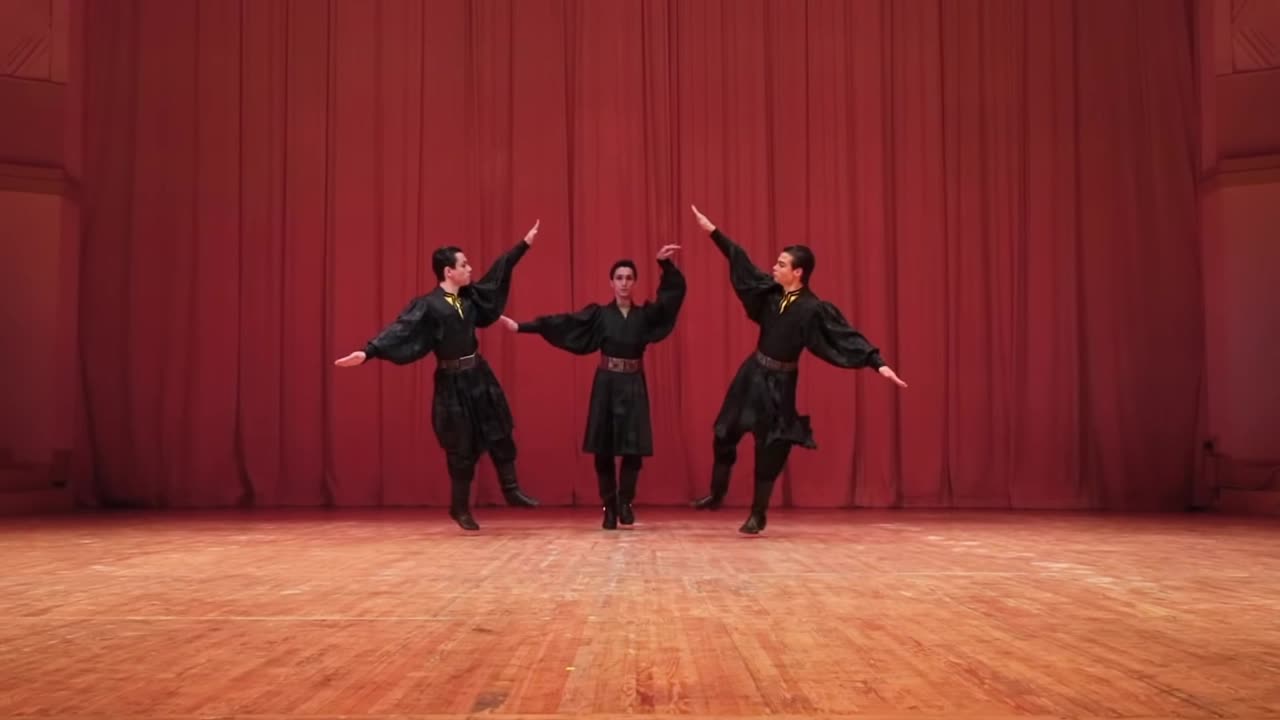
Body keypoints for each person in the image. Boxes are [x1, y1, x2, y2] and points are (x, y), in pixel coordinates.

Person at [687, 205, 907, 534]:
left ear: (798, 272)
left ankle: (757, 514)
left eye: (781, 264)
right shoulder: (771, 293)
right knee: (724, 432)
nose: (774, 267)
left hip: (780, 383)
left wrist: (878, 364)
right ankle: (717, 494)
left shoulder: (812, 309)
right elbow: (742, 262)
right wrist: (713, 233)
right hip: (752, 375)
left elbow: (844, 336)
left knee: (770, 447)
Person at [334, 221, 543, 531]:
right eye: (464, 264)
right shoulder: (429, 305)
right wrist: (368, 351)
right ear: (448, 271)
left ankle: (511, 489)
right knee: (461, 446)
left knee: (499, 428)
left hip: (478, 375)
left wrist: (523, 245)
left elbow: (498, 272)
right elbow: (401, 329)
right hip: (452, 383)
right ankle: (460, 508)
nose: (470, 269)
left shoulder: (469, 298)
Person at [498, 244, 686, 529]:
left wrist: (665, 264)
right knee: (604, 449)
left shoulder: (645, 316)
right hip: (607, 384)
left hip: (633, 383)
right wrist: (523, 327)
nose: (624, 283)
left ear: (635, 282)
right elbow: (565, 323)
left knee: (634, 449)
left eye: (629, 278)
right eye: (619, 278)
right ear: (611, 283)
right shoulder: (600, 315)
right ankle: (609, 507)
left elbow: (670, 300)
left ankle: (625, 502)